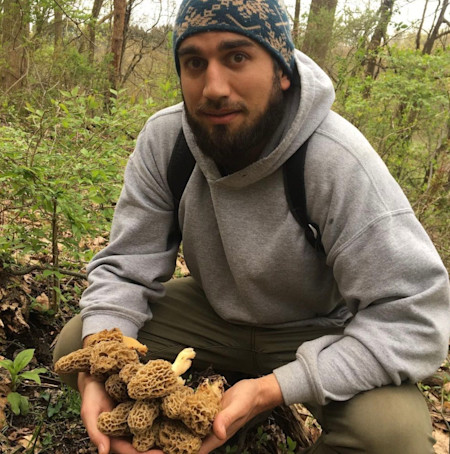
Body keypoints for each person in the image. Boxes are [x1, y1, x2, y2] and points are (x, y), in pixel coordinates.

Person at [54, 0, 450, 453]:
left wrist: (272, 388)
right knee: (82, 345)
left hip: (319, 327)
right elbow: (126, 267)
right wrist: (102, 375)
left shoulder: (336, 162)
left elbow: (415, 318)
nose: (214, 87)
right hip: (214, 314)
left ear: (282, 69)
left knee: (391, 436)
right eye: (195, 63)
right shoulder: (167, 142)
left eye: (237, 57)